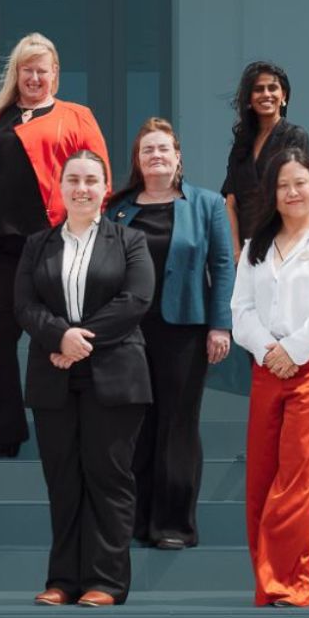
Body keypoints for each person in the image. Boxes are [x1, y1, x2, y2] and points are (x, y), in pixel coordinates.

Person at [14, 150, 154, 607]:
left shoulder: (129, 240)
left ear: (105, 187)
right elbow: (25, 305)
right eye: (73, 179)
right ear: (61, 185)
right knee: (63, 479)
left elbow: (135, 300)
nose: (82, 188)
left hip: (115, 375)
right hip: (54, 379)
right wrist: (60, 336)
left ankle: (106, 581)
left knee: (108, 477)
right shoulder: (38, 244)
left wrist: (78, 340)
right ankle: (63, 580)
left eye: (91, 180)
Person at [0, 33, 110, 461]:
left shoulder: (76, 116)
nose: (34, 77)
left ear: (56, 75)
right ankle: (3, 432)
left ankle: (69, 428)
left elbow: (100, 179)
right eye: (27, 69)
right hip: (5, 249)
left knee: (61, 334)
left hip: (57, 242)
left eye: (42, 70)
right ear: (16, 73)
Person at [230, 147, 309, 608]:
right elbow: (240, 309)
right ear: (272, 193)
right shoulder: (255, 245)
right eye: (282, 185)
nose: (292, 192)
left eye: (300, 182)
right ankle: (267, 581)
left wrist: (294, 350)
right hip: (267, 365)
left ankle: (293, 583)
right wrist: (269, 350)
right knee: (262, 476)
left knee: (300, 476)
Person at [105, 118, 234, 550]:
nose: (156, 156)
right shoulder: (118, 208)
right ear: (138, 161)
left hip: (186, 328)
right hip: (129, 331)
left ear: (178, 157)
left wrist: (220, 325)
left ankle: (175, 525)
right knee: (137, 423)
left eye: (163, 149)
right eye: (147, 151)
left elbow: (222, 265)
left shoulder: (207, 204)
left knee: (178, 424)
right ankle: (138, 520)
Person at [221, 61, 309, 249]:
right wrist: (236, 251)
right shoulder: (242, 143)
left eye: (272, 88)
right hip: (244, 245)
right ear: (249, 98)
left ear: (284, 96)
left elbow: (301, 195)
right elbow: (230, 202)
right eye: (258, 89)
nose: (266, 94)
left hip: (284, 242)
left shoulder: (294, 136)